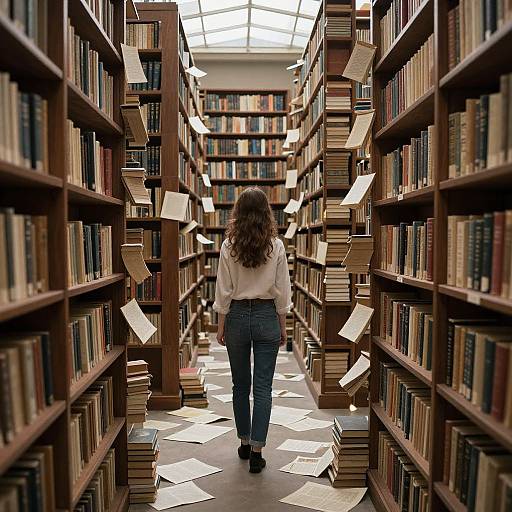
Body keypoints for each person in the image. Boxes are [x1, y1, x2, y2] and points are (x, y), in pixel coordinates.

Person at [213, 187, 292, 473]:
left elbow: (223, 289)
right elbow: (282, 291)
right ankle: (258, 452)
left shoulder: (228, 246)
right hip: (266, 316)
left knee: (239, 385)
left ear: (238, 212)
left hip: (236, 316)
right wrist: (282, 325)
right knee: (263, 388)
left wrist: (221, 325)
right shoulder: (277, 246)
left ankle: (244, 443)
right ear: (266, 213)